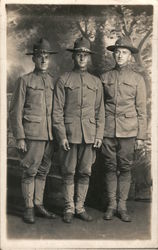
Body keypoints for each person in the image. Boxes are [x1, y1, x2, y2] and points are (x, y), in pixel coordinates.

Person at [53, 37, 105, 223]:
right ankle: (69, 207)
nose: (82, 58)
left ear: (89, 58)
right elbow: (57, 111)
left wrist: (98, 135)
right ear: (73, 57)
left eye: (85, 55)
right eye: (78, 54)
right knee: (68, 172)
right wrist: (61, 137)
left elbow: (100, 111)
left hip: (89, 136)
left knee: (85, 172)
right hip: (69, 135)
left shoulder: (96, 82)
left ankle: (80, 207)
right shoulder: (63, 79)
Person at [9, 38, 58, 224]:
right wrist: (20, 137)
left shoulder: (53, 81)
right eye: (40, 56)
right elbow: (15, 111)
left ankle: (39, 205)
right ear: (34, 59)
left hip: (50, 136)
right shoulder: (24, 81)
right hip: (32, 134)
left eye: (46, 57)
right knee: (30, 171)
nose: (44, 60)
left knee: (43, 171)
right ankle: (28, 208)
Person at [100, 36, 147, 222]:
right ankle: (112, 205)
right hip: (108, 130)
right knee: (110, 167)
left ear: (130, 56)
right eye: (117, 52)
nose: (120, 55)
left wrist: (141, 136)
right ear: (114, 54)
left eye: (124, 52)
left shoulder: (137, 79)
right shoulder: (104, 77)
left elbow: (142, 110)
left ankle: (122, 206)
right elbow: (99, 107)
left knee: (125, 168)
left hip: (129, 131)